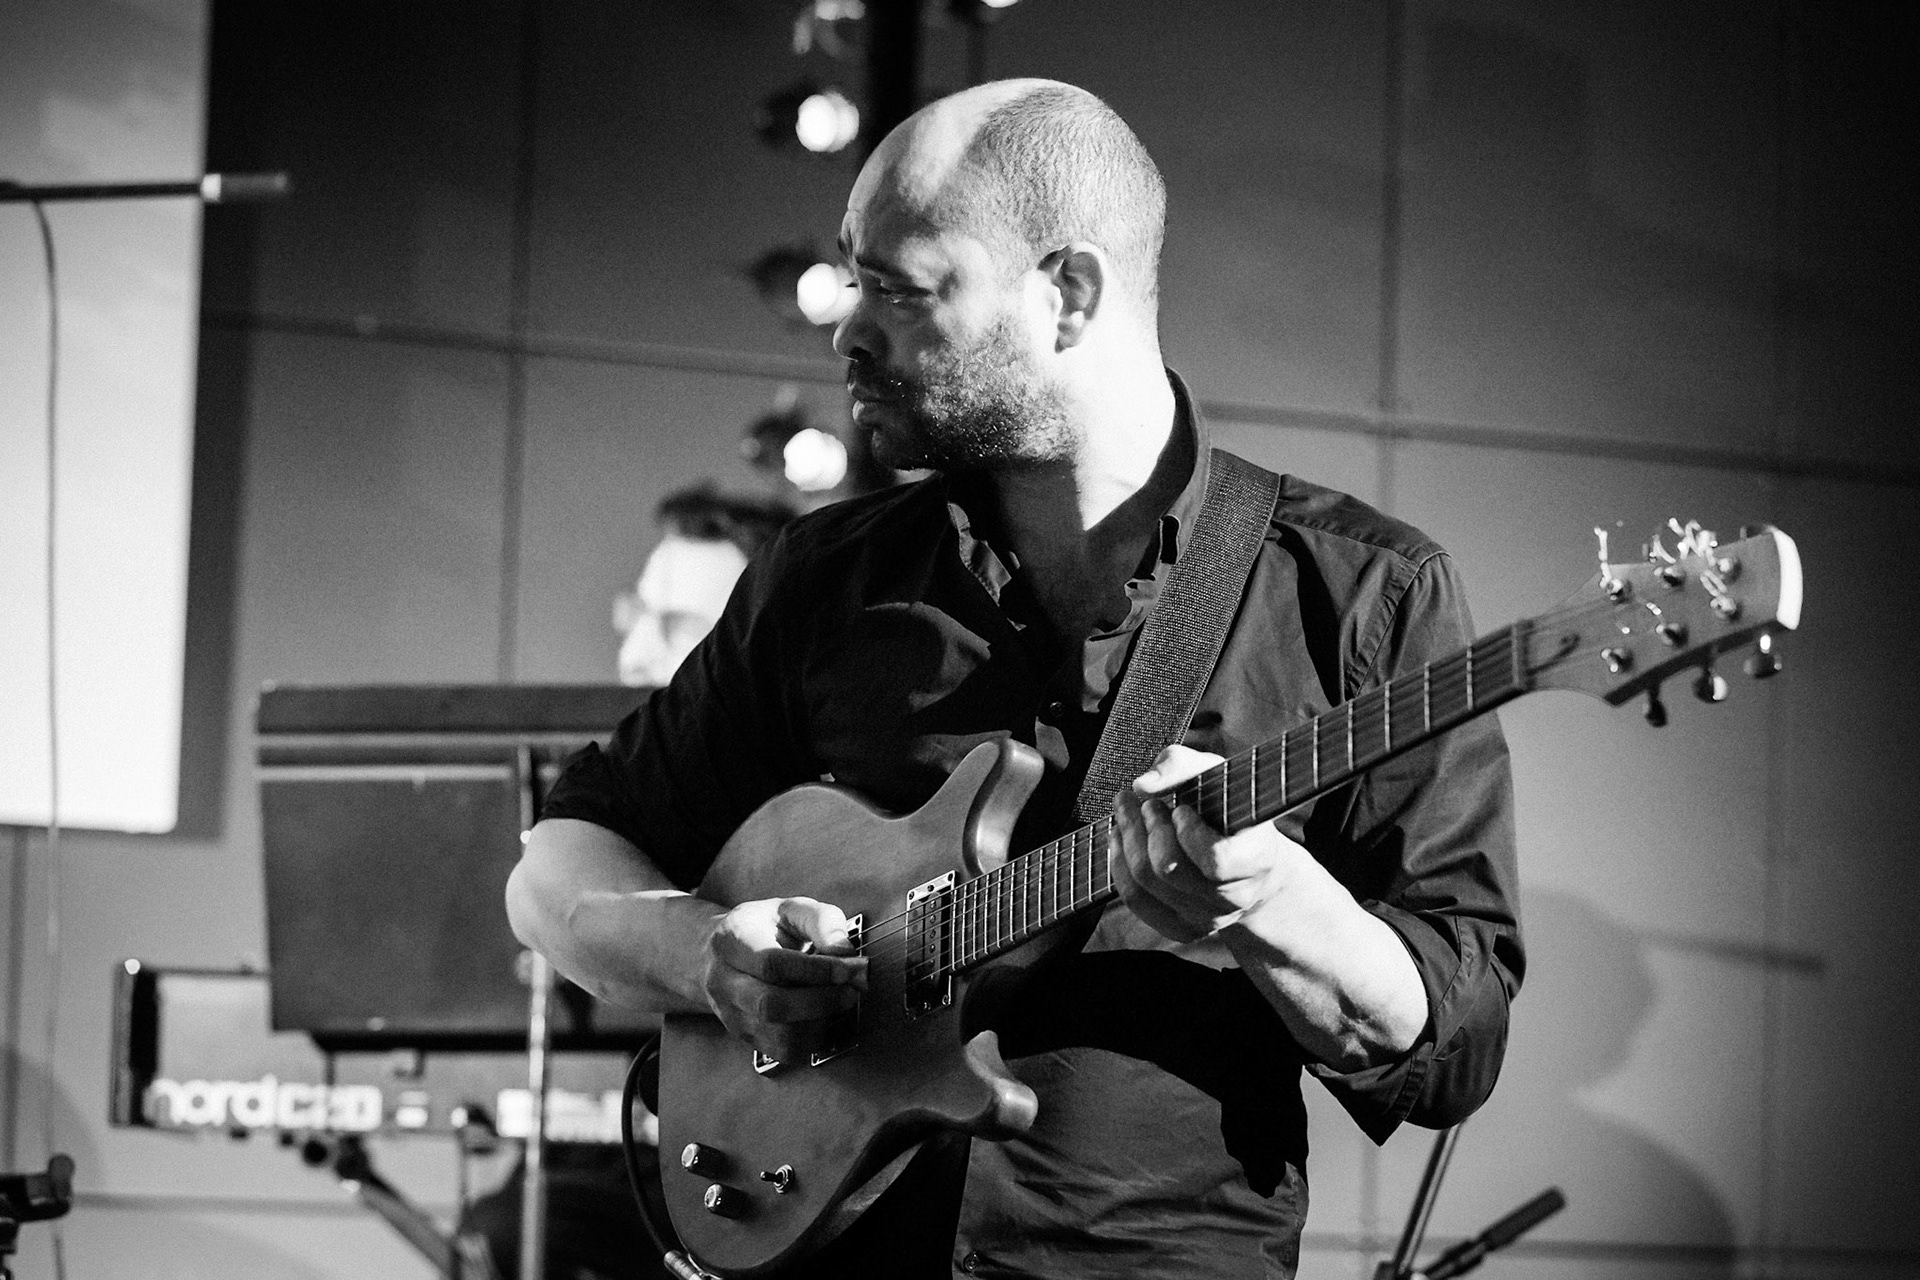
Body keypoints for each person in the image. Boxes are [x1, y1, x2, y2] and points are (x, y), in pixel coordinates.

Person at [507, 79, 1521, 1279]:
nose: (847, 331)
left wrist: (1275, 903)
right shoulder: (827, 579)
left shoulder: (1367, 596)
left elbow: (1456, 1043)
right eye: (852, 281)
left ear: (1069, 293)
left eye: (900, 289)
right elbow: (557, 864)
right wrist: (707, 952)